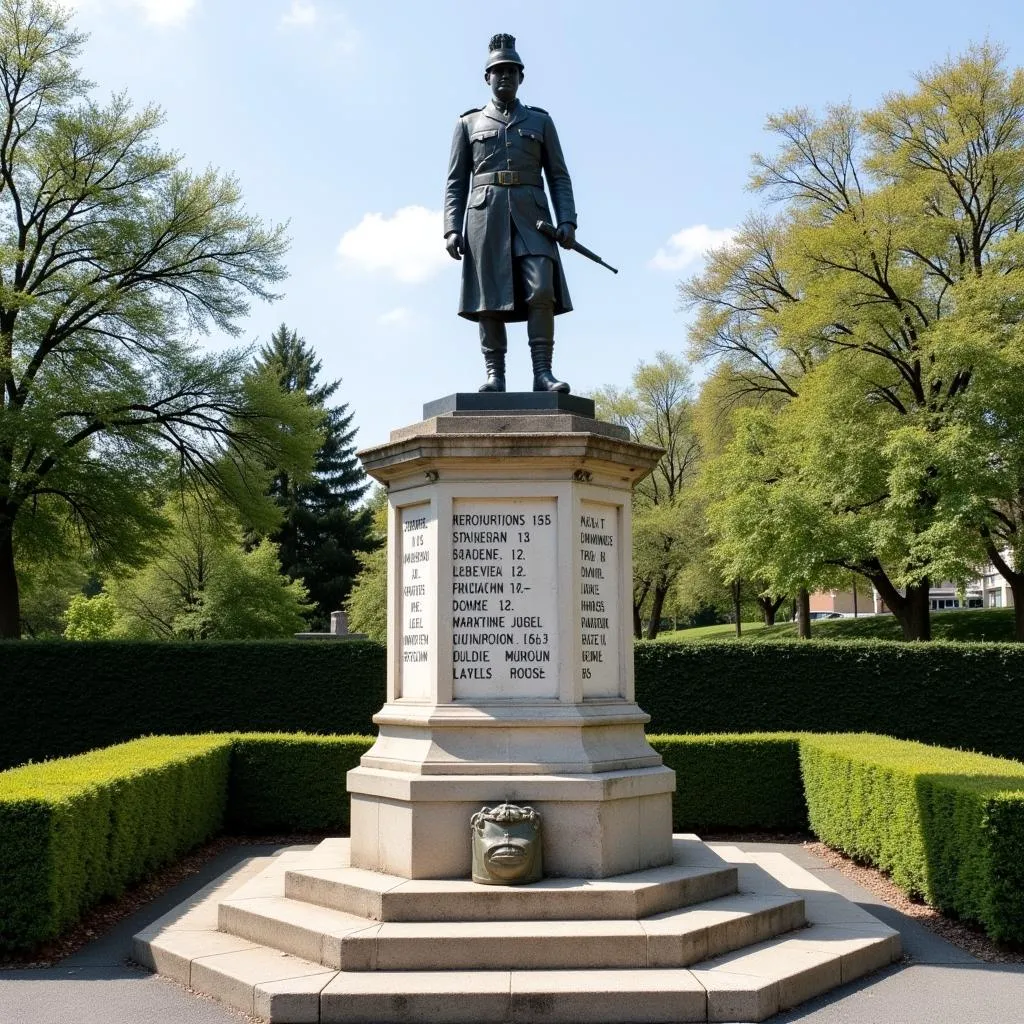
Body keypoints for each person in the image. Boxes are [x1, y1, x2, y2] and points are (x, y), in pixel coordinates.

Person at [444, 33, 578, 394]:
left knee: (541, 289)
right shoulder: (468, 124)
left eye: (511, 71)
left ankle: (543, 373)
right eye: (497, 71)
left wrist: (567, 220)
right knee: (489, 297)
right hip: (484, 218)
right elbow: (456, 181)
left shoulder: (541, 122)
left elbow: (559, 176)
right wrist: (451, 228)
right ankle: (495, 375)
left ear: (521, 77)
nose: (504, 77)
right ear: (487, 77)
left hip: (533, 217)